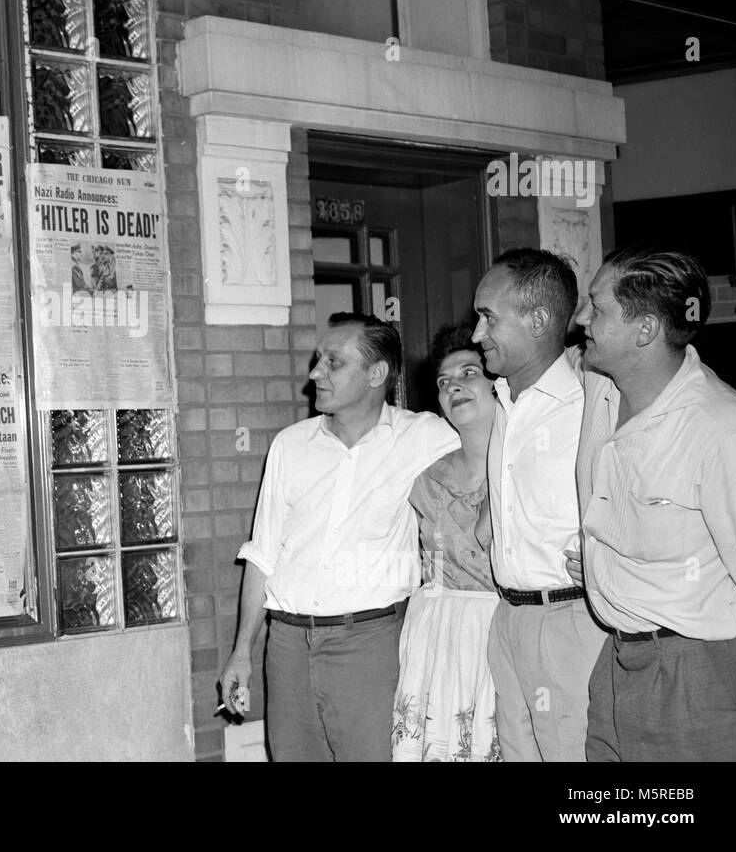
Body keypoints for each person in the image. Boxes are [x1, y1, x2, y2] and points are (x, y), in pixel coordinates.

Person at [218, 312, 459, 761]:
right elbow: (262, 554)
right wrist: (241, 653)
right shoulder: (290, 445)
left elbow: (492, 455)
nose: (315, 374)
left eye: (333, 362)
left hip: (371, 646)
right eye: (317, 360)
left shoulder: (424, 436)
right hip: (287, 647)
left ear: (377, 374)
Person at [571, 246, 736, 760]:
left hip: (696, 672)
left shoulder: (720, 428)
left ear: (645, 330)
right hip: (616, 660)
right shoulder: (600, 382)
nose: (581, 319)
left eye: (597, 308)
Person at [472, 248, 604, 762]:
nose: (477, 335)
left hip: (572, 621)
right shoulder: (502, 400)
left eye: (488, 318)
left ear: (541, 319)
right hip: (508, 620)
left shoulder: (592, 403)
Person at [392, 325, 501, 762]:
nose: (454, 385)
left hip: (501, 633)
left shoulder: (529, 465)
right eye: (443, 382)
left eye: (469, 372)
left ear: (499, 383)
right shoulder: (425, 478)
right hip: (437, 638)